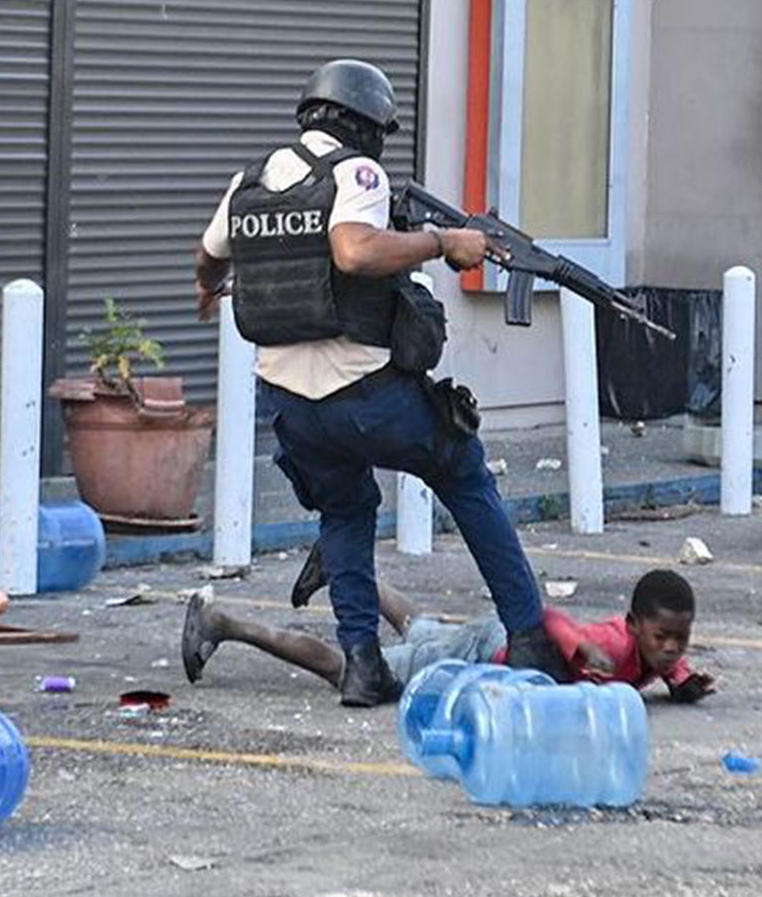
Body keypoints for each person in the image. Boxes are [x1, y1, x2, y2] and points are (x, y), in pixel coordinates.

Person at [192, 58, 567, 706]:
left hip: (292, 409)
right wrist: (442, 241)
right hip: (364, 395)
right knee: (464, 470)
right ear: (364, 125)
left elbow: (207, 255)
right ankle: (531, 637)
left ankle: (363, 664)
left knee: (346, 508)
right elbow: (355, 251)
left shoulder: (248, 181)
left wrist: (206, 290)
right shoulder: (356, 173)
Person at [180, 567, 714, 706]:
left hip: (491, 644)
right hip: (491, 652)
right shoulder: (615, 644)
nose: (670, 649)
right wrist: (579, 649)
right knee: (354, 669)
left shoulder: (658, 657)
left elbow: (663, 667)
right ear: (633, 624)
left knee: (419, 629)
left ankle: (347, 562)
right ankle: (224, 623)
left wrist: (681, 678)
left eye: (680, 641)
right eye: (662, 637)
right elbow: (549, 617)